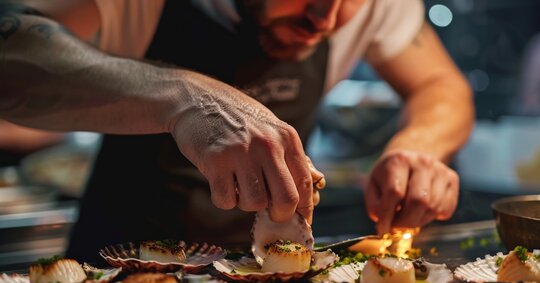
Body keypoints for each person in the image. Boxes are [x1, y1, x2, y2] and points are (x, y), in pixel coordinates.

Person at [0, 0, 474, 262]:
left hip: (269, 277)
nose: (324, 20)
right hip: (124, 266)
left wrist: (418, 148)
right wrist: (184, 97)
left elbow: (440, 84)